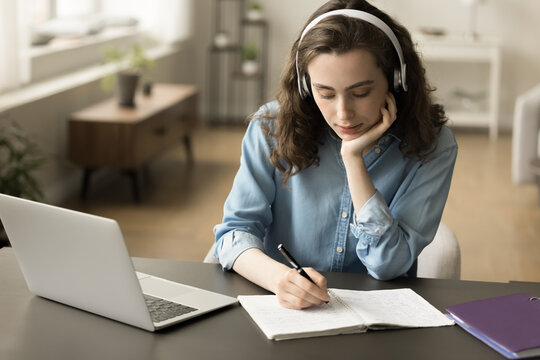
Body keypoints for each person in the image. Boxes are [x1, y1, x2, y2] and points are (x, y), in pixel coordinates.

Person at [213, 0, 458, 310]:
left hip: (379, 321)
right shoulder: (270, 128)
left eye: (360, 93)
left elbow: (388, 265)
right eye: (325, 94)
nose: (343, 113)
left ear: (397, 81)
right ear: (305, 85)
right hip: (282, 311)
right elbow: (235, 232)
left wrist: (353, 160)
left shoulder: (434, 144)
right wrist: (280, 280)